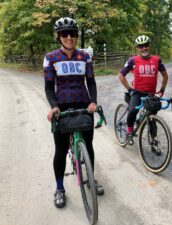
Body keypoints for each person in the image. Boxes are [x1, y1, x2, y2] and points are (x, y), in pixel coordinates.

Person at [44, 17, 104, 208]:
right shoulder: (51, 58)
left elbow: (91, 82)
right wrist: (53, 106)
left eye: (72, 33)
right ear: (59, 37)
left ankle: (90, 178)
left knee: (89, 145)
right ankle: (60, 188)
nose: (69, 37)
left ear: (77, 36)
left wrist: (93, 101)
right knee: (60, 151)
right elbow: (48, 87)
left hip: (84, 106)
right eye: (64, 34)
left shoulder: (85, 56)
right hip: (61, 108)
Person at [118, 35, 168, 147]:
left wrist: (162, 90)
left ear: (149, 46)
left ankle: (154, 141)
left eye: (146, 45)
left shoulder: (157, 60)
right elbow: (121, 75)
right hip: (137, 92)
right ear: (138, 48)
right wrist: (129, 89)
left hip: (151, 93)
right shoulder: (133, 60)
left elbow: (165, 75)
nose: (144, 48)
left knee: (152, 117)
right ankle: (129, 131)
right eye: (141, 46)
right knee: (132, 111)